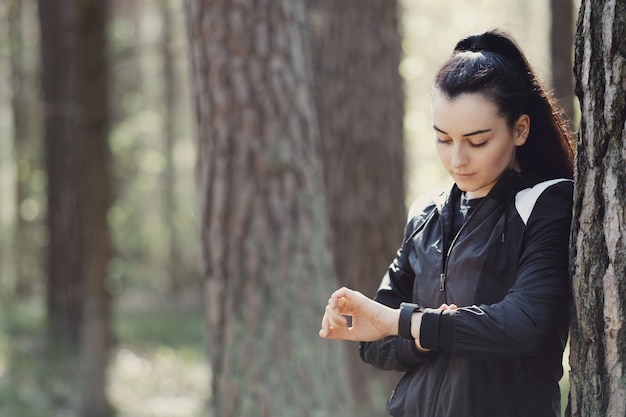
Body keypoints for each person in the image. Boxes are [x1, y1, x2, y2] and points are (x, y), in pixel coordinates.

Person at [319, 29, 575, 417]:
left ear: (520, 129)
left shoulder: (546, 202)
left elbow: (524, 324)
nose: (457, 160)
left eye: (477, 142)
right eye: (443, 139)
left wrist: (405, 322)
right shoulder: (428, 213)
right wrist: (414, 334)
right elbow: (374, 342)